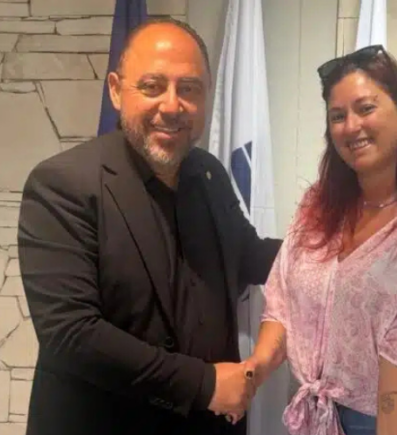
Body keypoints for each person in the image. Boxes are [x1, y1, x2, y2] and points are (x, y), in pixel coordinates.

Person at [17, 17, 281, 435]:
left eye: (189, 88)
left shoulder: (208, 173)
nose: (172, 106)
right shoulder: (63, 184)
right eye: (153, 86)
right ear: (116, 90)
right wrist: (204, 384)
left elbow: (249, 256)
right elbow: (71, 334)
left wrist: (334, 243)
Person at [240, 45, 397, 435]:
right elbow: (282, 303)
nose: (351, 126)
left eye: (366, 108)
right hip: (318, 417)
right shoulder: (317, 206)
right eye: (338, 116)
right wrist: (250, 375)